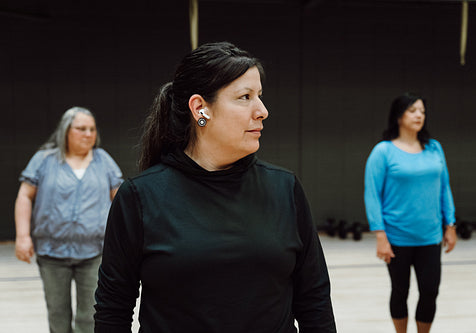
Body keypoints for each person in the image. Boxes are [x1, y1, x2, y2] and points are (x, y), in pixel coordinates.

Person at [94, 41, 336, 333]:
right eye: (245, 97)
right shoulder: (140, 197)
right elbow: (113, 310)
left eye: (259, 95)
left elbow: (315, 302)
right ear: (200, 109)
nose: (262, 111)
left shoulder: (284, 188)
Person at [14, 106, 123, 333]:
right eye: (81, 128)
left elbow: (122, 201)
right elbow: (24, 196)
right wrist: (23, 236)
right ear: (66, 131)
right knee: (58, 314)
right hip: (52, 252)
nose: (88, 134)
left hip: (95, 252)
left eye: (92, 129)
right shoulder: (44, 159)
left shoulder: (104, 161)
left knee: (90, 315)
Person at [364, 93, 457, 333]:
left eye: (422, 111)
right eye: (413, 110)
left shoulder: (434, 148)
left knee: (430, 291)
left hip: (430, 236)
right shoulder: (383, 152)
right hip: (397, 238)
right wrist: (380, 236)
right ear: (398, 116)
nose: (419, 115)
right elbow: (372, 194)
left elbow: (444, 187)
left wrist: (451, 225)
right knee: (400, 290)